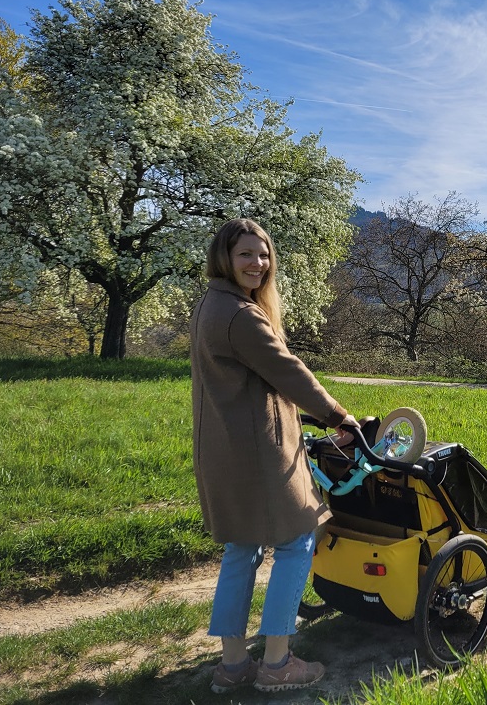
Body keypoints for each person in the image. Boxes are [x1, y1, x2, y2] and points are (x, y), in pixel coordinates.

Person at [190, 218, 358, 694]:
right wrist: (337, 416)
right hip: (258, 453)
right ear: (224, 256)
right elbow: (288, 371)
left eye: (263, 255)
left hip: (223, 449)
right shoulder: (241, 315)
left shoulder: (210, 305)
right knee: (298, 538)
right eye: (246, 254)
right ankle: (279, 661)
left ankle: (233, 664)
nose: (257, 264)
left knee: (240, 551)